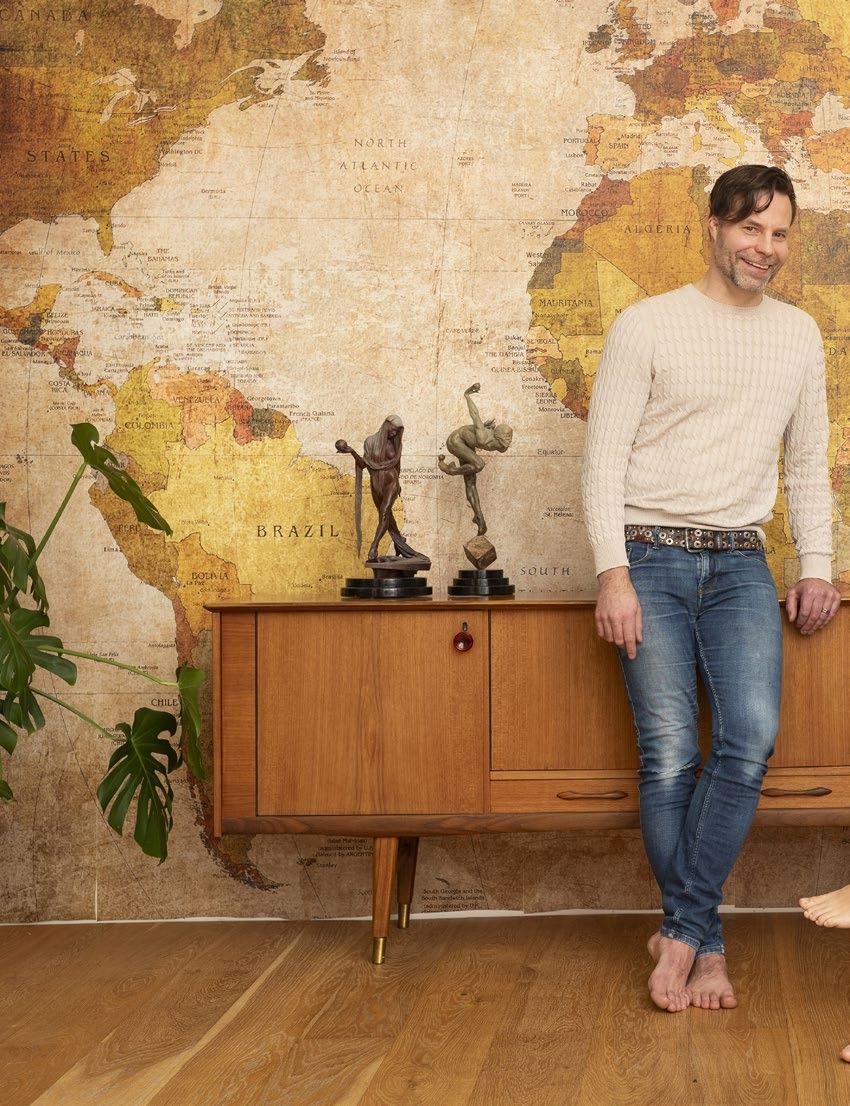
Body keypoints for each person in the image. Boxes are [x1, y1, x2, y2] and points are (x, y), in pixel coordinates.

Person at [581, 164, 839, 1013]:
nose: (765, 247)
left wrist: (815, 565)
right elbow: (603, 461)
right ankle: (706, 942)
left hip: (739, 563)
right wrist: (613, 575)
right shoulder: (647, 325)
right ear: (714, 227)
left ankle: (680, 932)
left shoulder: (798, 335)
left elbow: (806, 463)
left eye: (779, 233)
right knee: (667, 755)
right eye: (750, 228)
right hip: (649, 557)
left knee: (749, 739)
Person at [438, 383, 513, 535]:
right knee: (479, 463)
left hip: (467, 445)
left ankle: (479, 518)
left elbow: (501, 443)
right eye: (504, 440)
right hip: (455, 441)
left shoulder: (502, 445)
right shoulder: (483, 436)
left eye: (508, 440)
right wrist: (467, 395)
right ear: (497, 437)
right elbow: (475, 414)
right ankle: (450, 470)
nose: (506, 445)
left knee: (471, 484)